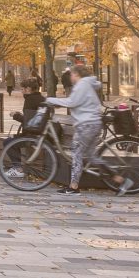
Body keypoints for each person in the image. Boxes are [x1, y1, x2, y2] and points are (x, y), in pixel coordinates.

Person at [48, 63, 108, 193]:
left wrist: (51, 100)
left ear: (76, 74)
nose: (70, 77)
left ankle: (73, 187)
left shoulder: (82, 85)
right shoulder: (86, 84)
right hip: (93, 123)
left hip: (86, 124)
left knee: (77, 154)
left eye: (71, 74)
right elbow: (77, 102)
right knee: (91, 156)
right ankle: (116, 175)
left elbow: (72, 102)